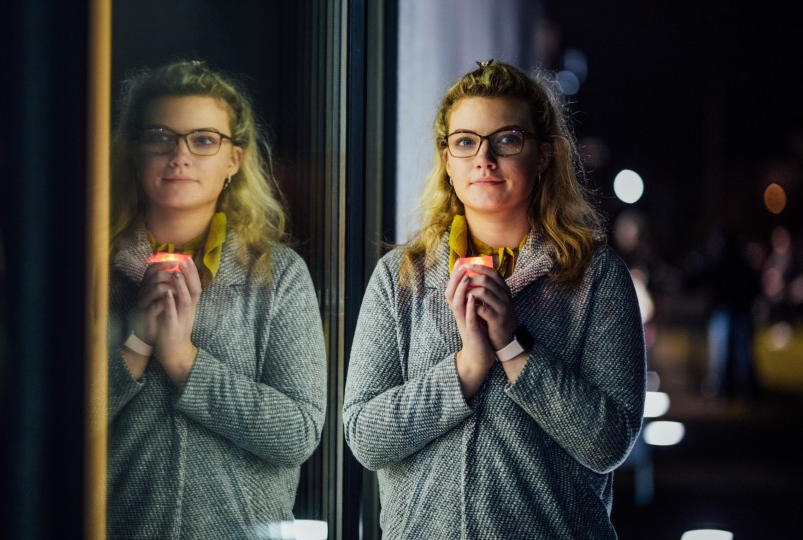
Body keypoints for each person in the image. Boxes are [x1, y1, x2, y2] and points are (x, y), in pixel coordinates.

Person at [343, 60, 646, 539]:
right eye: (466, 142)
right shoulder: (401, 277)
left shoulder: (594, 277)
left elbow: (608, 441)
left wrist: (513, 348)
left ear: (544, 155)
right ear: (447, 160)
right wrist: (465, 368)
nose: (484, 159)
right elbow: (364, 435)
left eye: (507, 139)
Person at [107, 60, 327, 539]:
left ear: (234, 159)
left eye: (203, 140)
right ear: (134, 153)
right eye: (160, 135)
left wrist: (185, 362)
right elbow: (52, 429)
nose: (179, 155)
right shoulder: (93, 272)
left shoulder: (277, 274)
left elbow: (298, 433)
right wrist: (137, 345)